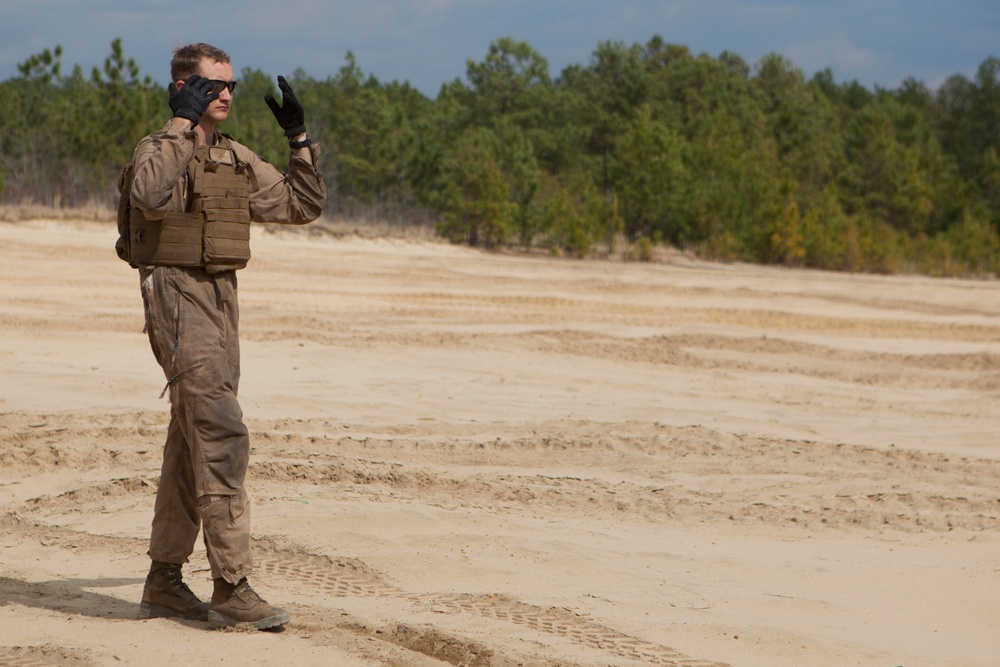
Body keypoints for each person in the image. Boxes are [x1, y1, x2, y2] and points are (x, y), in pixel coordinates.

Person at [120, 43, 326, 629]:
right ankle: (232, 585)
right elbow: (148, 194)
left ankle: (163, 582)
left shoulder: (234, 158)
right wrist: (182, 122)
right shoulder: (158, 149)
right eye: (214, 85)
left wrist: (300, 139)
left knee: (192, 442)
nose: (228, 94)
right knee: (222, 433)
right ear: (186, 87)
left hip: (221, 304)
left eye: (231, 84)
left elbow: (301, 203)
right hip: (177, 300)